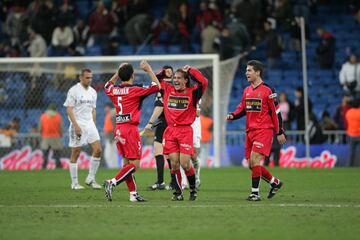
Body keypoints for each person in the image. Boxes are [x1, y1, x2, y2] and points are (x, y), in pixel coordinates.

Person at [227, 60, 286, 201]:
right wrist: (233, 115)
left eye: (249, 70)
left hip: (264, 130)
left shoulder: (268, 90)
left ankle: (255, 193)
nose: (246, 73)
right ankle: (275, 183)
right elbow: (242, 109)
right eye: (246, 70)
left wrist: (280, 132)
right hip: (250, 131)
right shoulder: (246, 91)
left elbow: (276, 113)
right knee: (251, 165)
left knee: (255, 160)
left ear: (258, 72)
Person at [103, 61, 160, 202]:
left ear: (120, 75)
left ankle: (133, 194)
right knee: (134, 165)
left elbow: (106, 85)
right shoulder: (135, 90)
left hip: (119, 129)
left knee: (126, 163)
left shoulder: (114, 90)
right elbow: (157, 86)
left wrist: (118, 71)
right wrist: (149, 69)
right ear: (133, 75)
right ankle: (112, 182)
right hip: (130, 129)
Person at [160, 64, 208, 201]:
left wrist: (191, 70)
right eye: (174, 77)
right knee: (174, 163)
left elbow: (204, 82)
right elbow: (156, 81)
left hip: (185, 130)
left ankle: (193, 189)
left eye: (179, 77)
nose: (175, 80)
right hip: (170, 130)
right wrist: (162, 72)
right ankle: (178, 192)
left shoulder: (193, 92)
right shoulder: (168, 89)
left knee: (185, 163)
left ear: (186, 80)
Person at [63, 69, 102, 190]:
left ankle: (90, 178)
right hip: (78, 124)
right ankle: (74, 183)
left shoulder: (93, 92)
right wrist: (75, 125)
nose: (89, 80)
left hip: (90, 124)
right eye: (87, 78)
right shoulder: (74, 90)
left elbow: (93, 110)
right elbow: (69, 109)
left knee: (98, 150)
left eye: (91, 77)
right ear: (80, 77)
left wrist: (94, 125)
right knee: (76, 152)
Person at [145, 66, 174, 191]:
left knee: (164, 153)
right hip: (165, 121)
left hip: (166, 122)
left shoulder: (164, 87)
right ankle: (168, 181)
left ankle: (168, 182)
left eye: (169, 71)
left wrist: (150, 124)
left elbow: (160, 107)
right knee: (162, 152)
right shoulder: (168, 86)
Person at [39, 103, 63, 169]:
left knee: (45, 154)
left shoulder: (43, 116)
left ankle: (44, 166)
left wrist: (42, 134)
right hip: (55, 137)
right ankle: (58, 166)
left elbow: (40, 128)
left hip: (46, 137)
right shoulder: (58, 116)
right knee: (57, 154)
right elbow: (61, 128)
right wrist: (60, 134)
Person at [345, 99, 360, 166]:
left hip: (351, 134)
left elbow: (347, 121)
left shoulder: (348, 112)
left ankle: (349, 166)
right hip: (359, 134)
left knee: (351, 153)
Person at [103, 102, 118, 168]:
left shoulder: (113, 114)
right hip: (109, 136)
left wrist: (113, 136)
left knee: (111, 153)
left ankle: (113, 167)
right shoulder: (108, 114)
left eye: (107, 107)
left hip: (112, 136)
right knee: (109, 154)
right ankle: (112, 167)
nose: (105, 108)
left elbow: (115, 126)